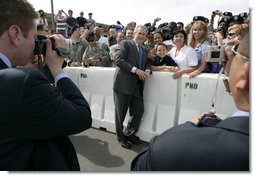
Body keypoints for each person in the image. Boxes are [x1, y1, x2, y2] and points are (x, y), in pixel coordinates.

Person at [131, 28, 249, 171]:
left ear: (244, 76)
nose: (225, 66)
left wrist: (187, 129)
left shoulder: (171, 147)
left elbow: (141, 166)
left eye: (232, 60)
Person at [0, 0, 92, 171]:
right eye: (35, 37)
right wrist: (57, 69)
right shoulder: (23, 83)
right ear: (15, 34)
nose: (36, 44)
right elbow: (81, 116)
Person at [113, 25, 152, 149]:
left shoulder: (145, 49)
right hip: (123, 85)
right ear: (134, 33)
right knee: (120, 113)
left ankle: (129, 134)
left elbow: (147, 64)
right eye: (139, 33)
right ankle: (120, 137)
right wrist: (136, 70)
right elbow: (118, 60)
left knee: (139, 111)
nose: (141, 36)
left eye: (144, 34)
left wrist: (147, 70)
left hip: (138, 86)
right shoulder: (125, 44)